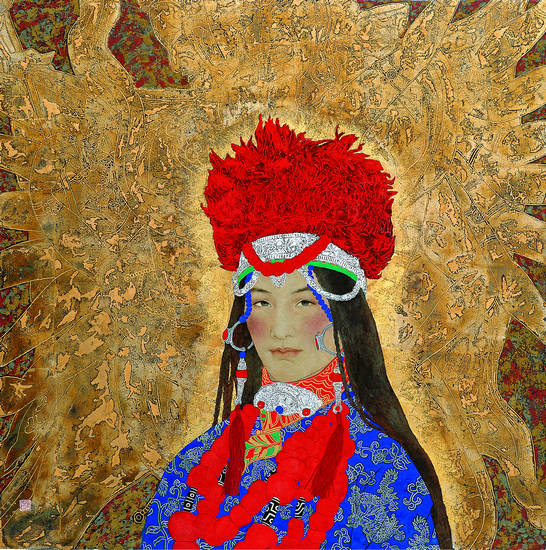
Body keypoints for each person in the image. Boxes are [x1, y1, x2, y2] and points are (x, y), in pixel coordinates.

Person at [141, 117, 452, 549]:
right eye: (263, 303)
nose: (280, 329)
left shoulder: (380, 468)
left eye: (304, 302)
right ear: (242, 322)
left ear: (344, 319)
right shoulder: (195, 462)